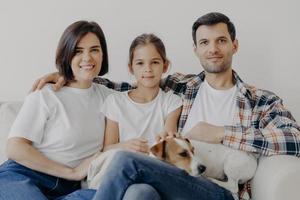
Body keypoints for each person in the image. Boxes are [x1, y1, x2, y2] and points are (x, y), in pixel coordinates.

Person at [30, 12, 300, 200]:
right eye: (204, 42)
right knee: (139, 193)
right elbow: (135, 87)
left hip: (217, 191)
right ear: (195, 49)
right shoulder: (183, 87)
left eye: (221, 41)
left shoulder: (259, 99)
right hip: (169, 183)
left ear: (234, 45)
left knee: (125, 161)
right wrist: (71, 76)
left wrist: (221, 133)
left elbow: (294, 139)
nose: (213, 49)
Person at [0, 21, 160, 200]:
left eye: (94, 50)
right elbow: (15, 148)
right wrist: (72, 172)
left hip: (74, 189)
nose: (87, 58)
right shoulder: (46, 94)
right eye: (78, 51)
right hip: (24, 176)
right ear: (66, 55)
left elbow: (147, 84)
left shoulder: (112, 98)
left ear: (103, 55)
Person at [102, 33, 182, 153]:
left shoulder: (171, 102)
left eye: (154, 62)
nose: (148, 69)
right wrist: (124, 146)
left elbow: (168, 143)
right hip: (124, 163)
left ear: (165, 66)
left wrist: (167, 139)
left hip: (154, 165)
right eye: (140, 63)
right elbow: (107, 148)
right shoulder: (115, 101)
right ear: (131, 68)